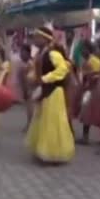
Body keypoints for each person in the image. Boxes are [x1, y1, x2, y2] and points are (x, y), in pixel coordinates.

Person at [25, 26, 75, 164]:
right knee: (43, 120)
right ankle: (42, 150)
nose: (34, 40)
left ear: (44, 39)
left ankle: (54, 153)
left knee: (53, 122)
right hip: (45, 91)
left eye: (37, 37)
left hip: (54, 91)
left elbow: (63, 69)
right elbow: (38, 71)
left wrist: (45, 79)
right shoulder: (41, 54)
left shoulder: (53, 53)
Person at [75, 40, 100, 145]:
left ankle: (88, 137)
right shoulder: (87, 61)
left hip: (95, 89)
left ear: (89, 49)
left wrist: (88, 85)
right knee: (87, 112)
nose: (82, 51)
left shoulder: (93, 61)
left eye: (84, 49)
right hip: (89, 88)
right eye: (81, 49)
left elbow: (97, 75)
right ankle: (86, 136)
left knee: (89, 111)